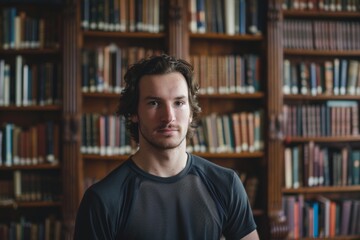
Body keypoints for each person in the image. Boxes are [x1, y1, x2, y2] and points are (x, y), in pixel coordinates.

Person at [73, 54, 259, 240]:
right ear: (134, 113)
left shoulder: (226, 184)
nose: (168, 116)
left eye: (179, 103)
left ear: (191, 112)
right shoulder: (102, 200)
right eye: (154, 103)